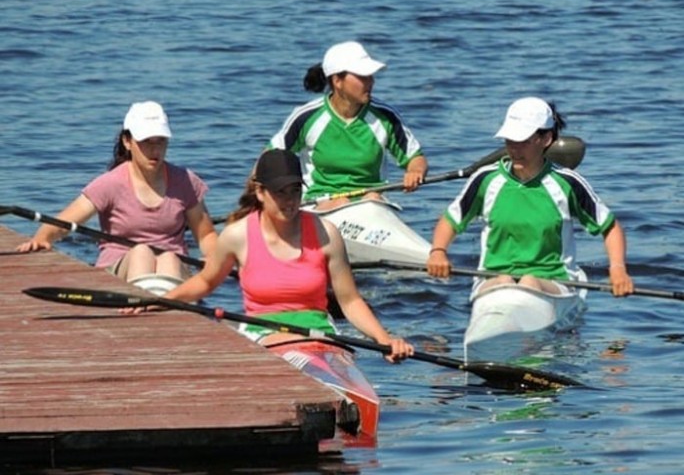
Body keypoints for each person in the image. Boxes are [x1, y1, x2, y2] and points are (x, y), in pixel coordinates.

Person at [159, 148, 414, 362]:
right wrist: (163, 300)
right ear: (260, 192)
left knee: (310, 352)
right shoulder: (237, 236)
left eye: (295, 190)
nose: (290, 200)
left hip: (319, 332)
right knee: (291, 349)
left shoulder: (326, 234)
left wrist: (384, 339)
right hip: (261, 333)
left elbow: (350, 301)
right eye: (280, 192)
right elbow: (205, 282)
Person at [427, 96, 634, 298]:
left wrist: (618, 269)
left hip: (554, 281)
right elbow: (450, 220)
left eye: (523, 141)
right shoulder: (485, 180)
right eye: (510, 140)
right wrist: (438, 251)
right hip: (492, 280)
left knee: (528, 281)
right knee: (504, 281)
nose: (514, 149)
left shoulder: (568, 183)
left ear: (546, 139)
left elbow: (610, 227)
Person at [16, 101, 217, 293]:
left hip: (173, 268)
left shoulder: (185, 181)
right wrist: (42, 238)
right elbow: (63, 222)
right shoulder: (110, 184)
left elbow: (206, 235)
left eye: (161, 141)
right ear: (127, 141)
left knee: (169, 259)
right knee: (141, 253)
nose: (155, 151)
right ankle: (147, 305)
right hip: (120, 266)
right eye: (146, 142)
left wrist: (212, 256)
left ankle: (162, 307)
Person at [268, 41, 428, 210]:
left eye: (371, 76)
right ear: (338, 81)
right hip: (320, 203)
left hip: (371, 201)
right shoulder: (306, 117)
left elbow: (416, 158)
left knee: (373, 198)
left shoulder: (385, 117)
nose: (371, 82)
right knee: (341, 203)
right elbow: (269, 158)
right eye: (363, 77)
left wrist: (415, 172)